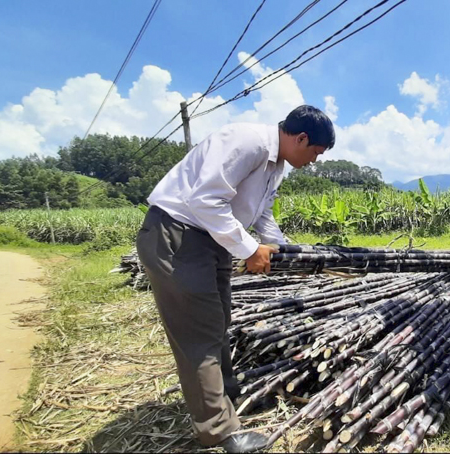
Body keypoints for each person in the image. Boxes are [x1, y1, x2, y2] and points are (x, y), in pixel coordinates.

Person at [136, 105, 335, 452]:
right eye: (315, 152)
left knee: (219, 322)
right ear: (301, 138)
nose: (314, 161)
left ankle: (226, 400)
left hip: (210, 240)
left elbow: (263, 215)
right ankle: (219, 431)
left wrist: (288, 252)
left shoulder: (276, 166)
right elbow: (205, 200)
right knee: (199, 332)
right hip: (179, 235)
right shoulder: (249, 142)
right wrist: (249, 249)